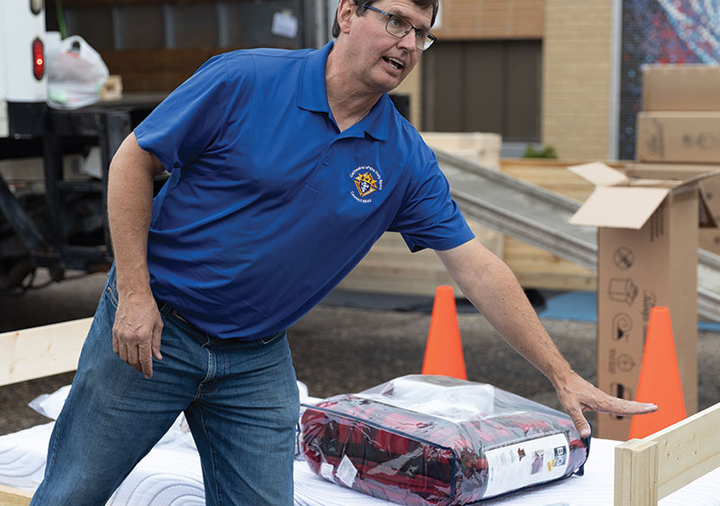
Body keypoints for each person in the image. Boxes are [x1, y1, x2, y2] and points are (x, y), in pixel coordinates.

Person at [31, 0, 656, 504]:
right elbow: (132, 160)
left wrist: (561, 374)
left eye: (423, 33)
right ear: (347, 14)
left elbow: (477, 267)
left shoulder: (402, 157)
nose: (409, 43)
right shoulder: (244, 80)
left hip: (254, 358)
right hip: (157, 328)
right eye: (397, 21)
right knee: (74, 492)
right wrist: (135, 295)